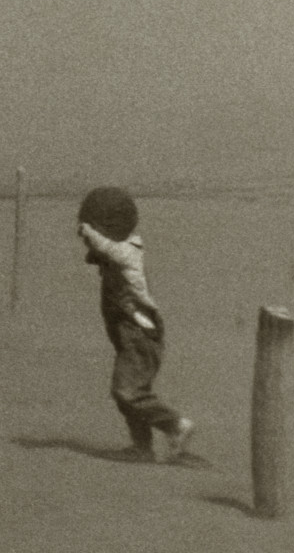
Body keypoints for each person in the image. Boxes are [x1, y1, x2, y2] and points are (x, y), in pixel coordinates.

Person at [76, 186, 194, 461]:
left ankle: (176, 425)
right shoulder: (114, 250)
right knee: (132, 395)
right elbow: (99, 253)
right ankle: (142, 448)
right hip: (126, 334)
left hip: (141, 334)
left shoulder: (129, 253)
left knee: (126, 392)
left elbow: (108, 249)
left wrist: (89, 231)